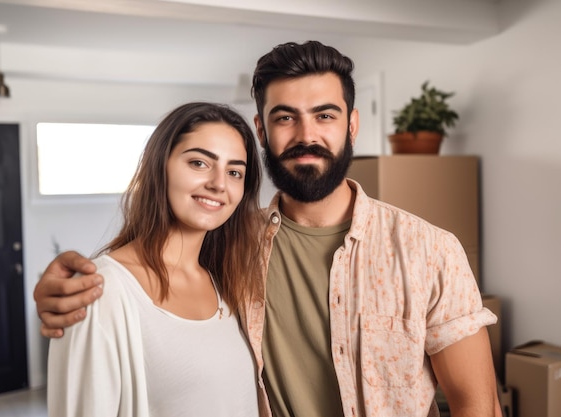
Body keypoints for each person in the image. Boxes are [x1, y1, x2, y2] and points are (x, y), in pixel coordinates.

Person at [35, 41, 501, 417]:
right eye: (285, 117)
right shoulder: (229, 246)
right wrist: (64, 290)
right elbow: (145, 277)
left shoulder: (429, 251)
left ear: (352, 125)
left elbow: (477, 405)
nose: (305, 134)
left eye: (325, 115)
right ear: (261, 129)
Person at [45, 102, 264, 417]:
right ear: (159, 165)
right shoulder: (101, 292)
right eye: (200, 163)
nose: (219, 184)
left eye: (234, 172)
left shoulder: (230, 280)